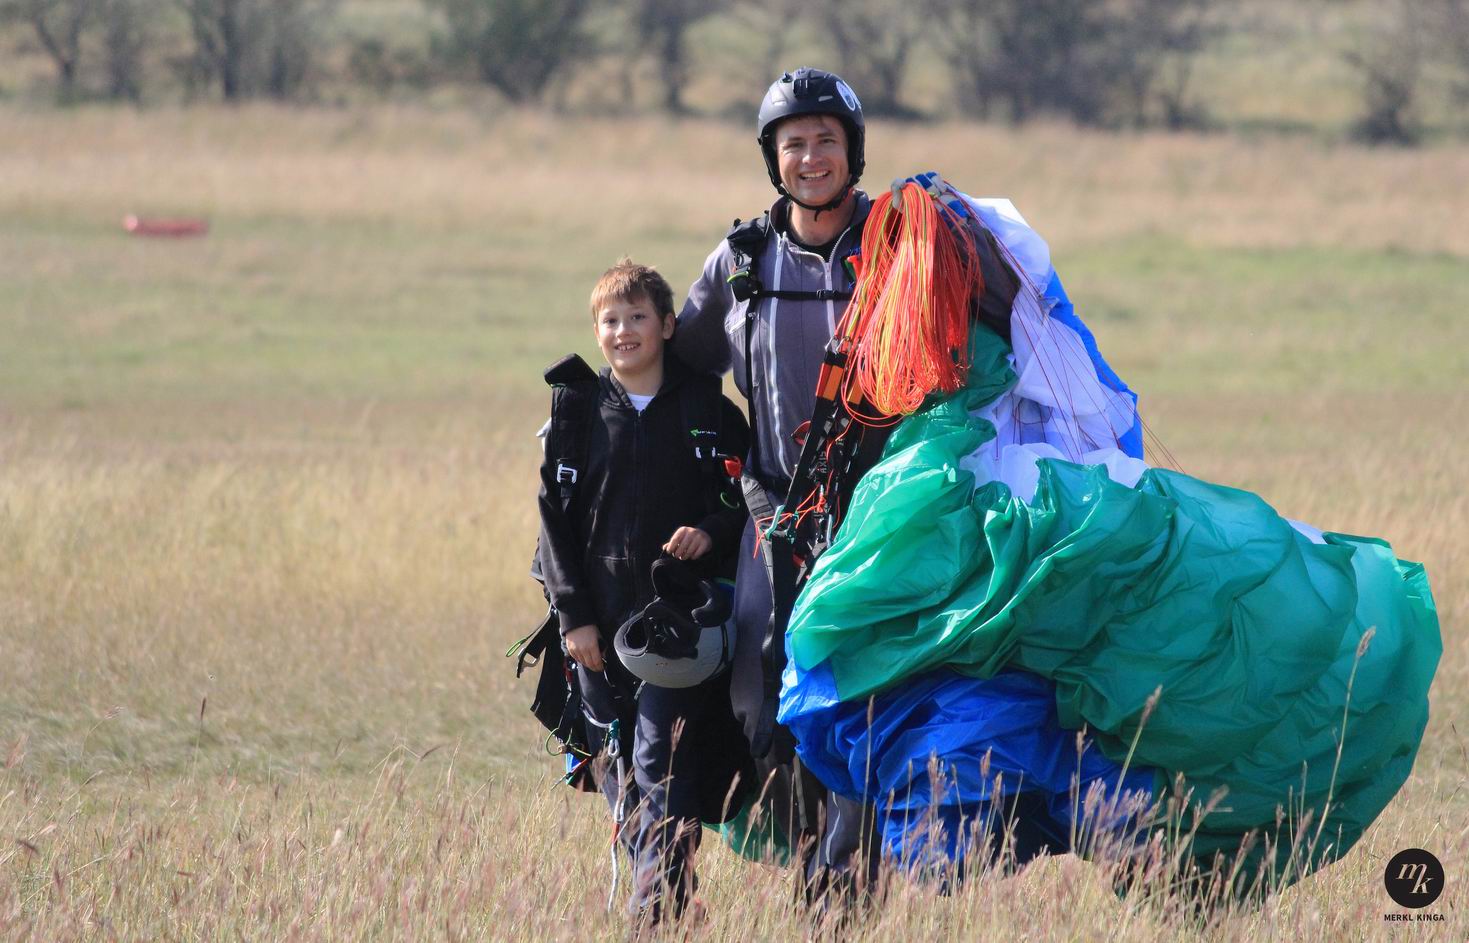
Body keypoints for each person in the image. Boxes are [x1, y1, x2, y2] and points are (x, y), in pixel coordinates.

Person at [535, 259, 751, 928]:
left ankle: (653, 914)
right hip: (594, 629)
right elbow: (552, 522)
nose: (623, 331)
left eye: (636, 317)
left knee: (662, 761)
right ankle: (674, 903)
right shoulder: (576, 413)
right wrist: (573, 617)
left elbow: (747, 500)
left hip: (676, 628)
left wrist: (710, 530)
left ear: (667, 326)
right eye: (610, 320)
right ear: (595, 331)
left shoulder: (709, 410)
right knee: (617, 772)